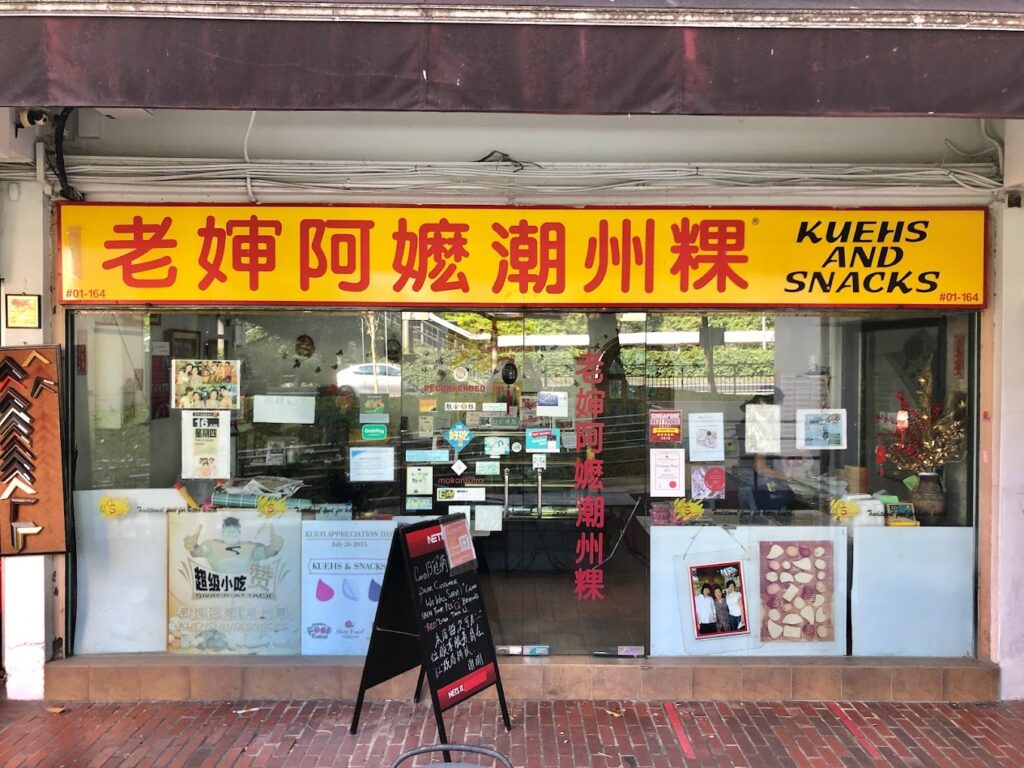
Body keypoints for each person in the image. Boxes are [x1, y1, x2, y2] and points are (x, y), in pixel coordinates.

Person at [184, 517, 283, 576]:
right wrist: (193, 546)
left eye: (234, 530)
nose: (231, 533)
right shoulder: (212, 545)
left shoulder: (250, 547)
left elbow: (265, 552)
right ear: (222, 532)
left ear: (240, 532)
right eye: (228, 530)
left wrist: (274, 547)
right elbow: (199, 552)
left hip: (246, 591)